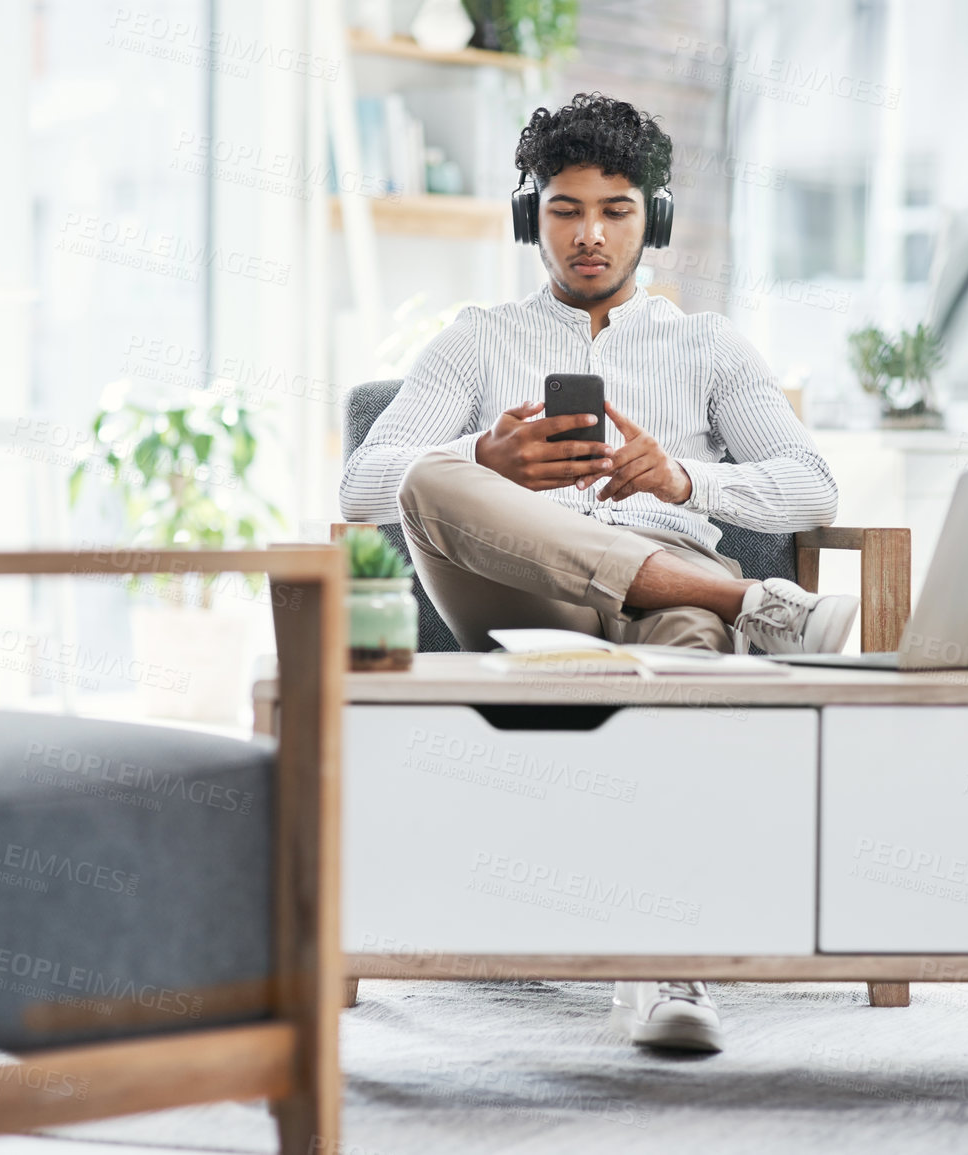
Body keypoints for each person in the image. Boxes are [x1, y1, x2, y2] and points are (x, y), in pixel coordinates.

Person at [339, 93, 857, 1054]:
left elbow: (813, 489)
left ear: (652, 219)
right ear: (529, 218)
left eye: (615, 209)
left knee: (689, 651)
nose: (588, 235)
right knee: (426, 475)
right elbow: (363, 483)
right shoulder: (476, 340)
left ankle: (668, 968)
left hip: (660, 605)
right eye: (564, 209)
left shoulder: (708, 346)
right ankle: (752, 602)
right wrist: (485, 463)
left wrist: (684, 475)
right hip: (517, 602)